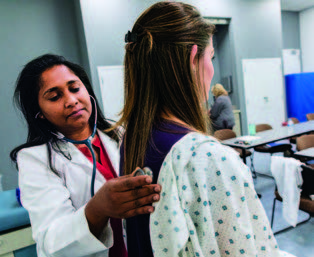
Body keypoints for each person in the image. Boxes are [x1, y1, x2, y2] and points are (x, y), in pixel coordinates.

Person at [116, 2, 295, 257]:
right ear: (193, 59)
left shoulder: (131, 139)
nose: (212, 69)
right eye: (210, 57)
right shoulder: (207, 158)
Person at [10, 54, 161, 257]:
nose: (71, 101)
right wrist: (98, 209)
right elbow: (51, 243)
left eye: (74, 88)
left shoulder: (122, 134)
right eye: (55, 97)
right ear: (40, 113)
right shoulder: (35, 159)